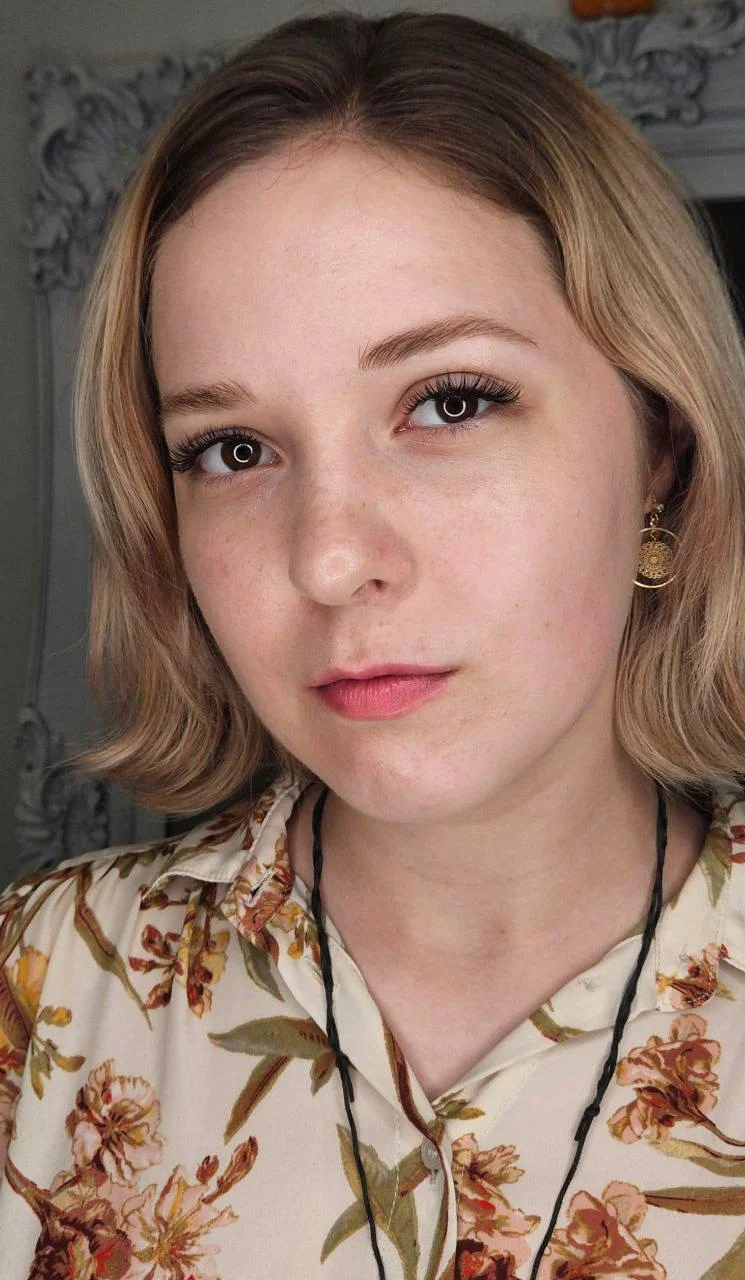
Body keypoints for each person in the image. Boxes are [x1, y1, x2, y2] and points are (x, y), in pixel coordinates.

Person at [2, 7, 745, 1277]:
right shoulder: (42, 993)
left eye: (450, 401)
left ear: (660, 451)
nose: (329, 557)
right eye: (232, 449)